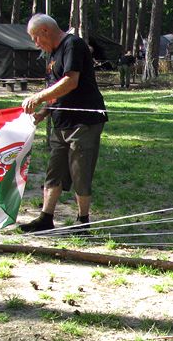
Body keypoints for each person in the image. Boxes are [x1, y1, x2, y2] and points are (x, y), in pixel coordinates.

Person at [19, 13, 108, 234]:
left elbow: (70, 81)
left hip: (83, 122)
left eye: (35, 38)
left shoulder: (73, 45)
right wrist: (43, 112)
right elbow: (55, 91)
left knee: (80, 171)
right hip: (61, 122)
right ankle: (45, 218)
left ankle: (83, 222)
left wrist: (38, 96)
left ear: (45, 31)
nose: (35, 43)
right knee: (54, 171)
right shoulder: (52, 56)